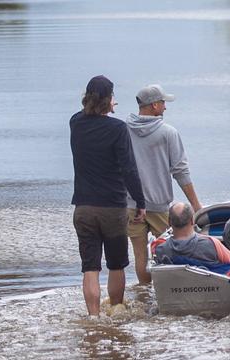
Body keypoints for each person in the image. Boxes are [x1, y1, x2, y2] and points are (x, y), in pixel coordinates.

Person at [70, 75, 146, 316]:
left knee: (90, 268)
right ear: (109, 100)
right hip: (112, 208)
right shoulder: (117, 128)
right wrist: (140, 202)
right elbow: (129, 169)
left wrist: (103, 106)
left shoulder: (75, 123)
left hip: (83, 208)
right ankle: (115, 309)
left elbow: (85, 114)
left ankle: (93, 318)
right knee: (116, 264)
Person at [125, 84, 202, 284]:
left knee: (140, 256)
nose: (165, 108)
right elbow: (180, 171)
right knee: (175, 252)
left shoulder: (124, 129)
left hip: (131, 205)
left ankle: (145, 295)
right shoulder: (168, 132)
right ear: (153, 106)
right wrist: (196, 205)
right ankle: (171, 295)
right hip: (159, 205)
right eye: (163, 103)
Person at [154, 202, 230, 274]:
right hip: (212, 288)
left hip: (176, 288)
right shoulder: (212, 243)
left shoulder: (161, 250)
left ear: (169, 222)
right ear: (192, 220)